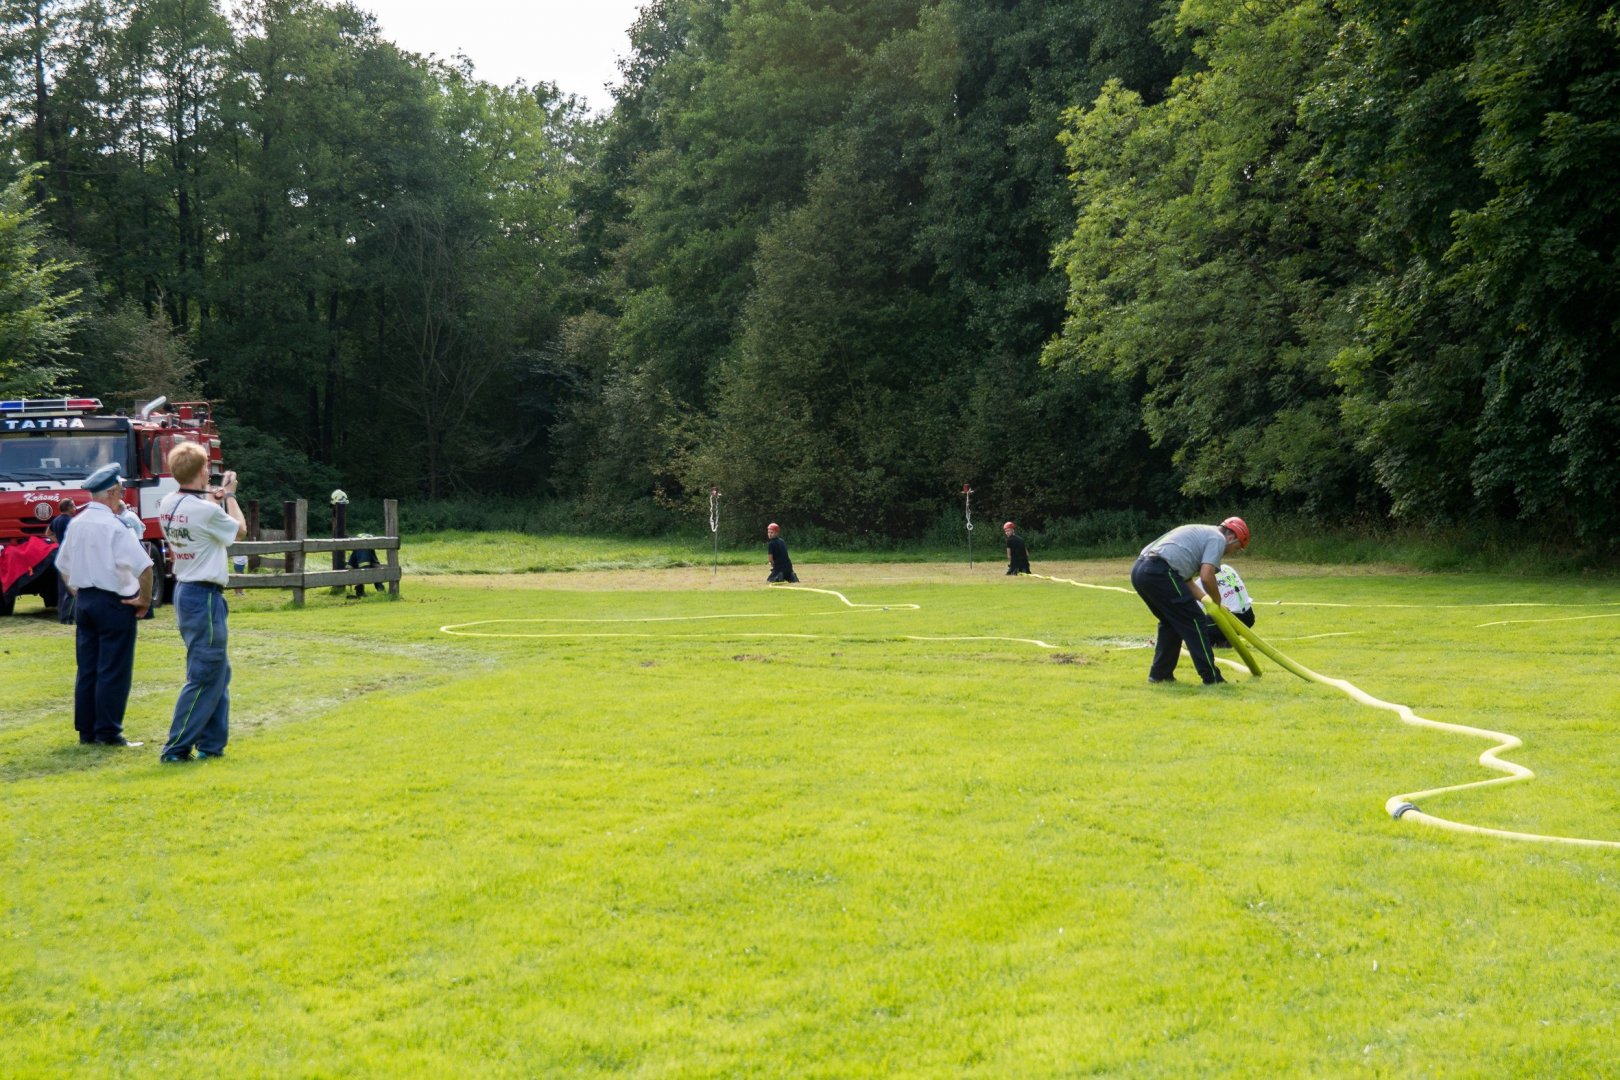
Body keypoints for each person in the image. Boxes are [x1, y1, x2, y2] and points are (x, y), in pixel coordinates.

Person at [157, 443, 246, 763]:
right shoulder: (205, 511)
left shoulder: (169, 502)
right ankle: (176, 747)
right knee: (206, 673)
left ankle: (212, 744)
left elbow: (196, 511)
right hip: (204, 594)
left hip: (186, 589)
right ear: (202, 471)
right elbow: (239, 531)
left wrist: (213, 497)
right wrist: (230, 496)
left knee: (218, 671)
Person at [52, 463, 153, 746]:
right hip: (113, 601)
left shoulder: (77, 523)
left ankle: (87, 731)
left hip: (86, 599)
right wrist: (144, 600)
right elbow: (144, 566)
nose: (122, 496)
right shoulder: (115, 526)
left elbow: (62, 564)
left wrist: (77, 592)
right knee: (113, 668)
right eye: (120, 492)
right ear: (111, 493)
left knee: (88, 668)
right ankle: (108, 732)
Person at [1130, 516, 1250, 686]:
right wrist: (1216, 604)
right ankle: (1212, 678)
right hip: (1159, 571)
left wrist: (1211, 603)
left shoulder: (1202, 533)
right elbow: (1207, 576)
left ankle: (1160, 675)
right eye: (1236, 548)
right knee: (1195, 620)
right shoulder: (1218, 538)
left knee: (1171, 622)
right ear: (1231, 537)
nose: (1232, 552)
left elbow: (1186, 581)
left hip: (1140, 571)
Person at [1204, 563, 1257, 649]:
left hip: (1232, 619)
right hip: (1249, 617)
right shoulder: (1227, 568)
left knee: (1197, 625)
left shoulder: (1204, 579)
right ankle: (1224, 639)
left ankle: (1217, 640)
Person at [49, 498, 78, 623]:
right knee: (72, 587)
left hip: (60, 554)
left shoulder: (56, 520)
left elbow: (48, 533)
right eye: (73, 506)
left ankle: (63, 615)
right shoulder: (70, 521)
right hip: (70, 555)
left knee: (62, 588)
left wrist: (60, 541)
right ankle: (68, 617)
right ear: (68, 507)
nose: (75, 508)